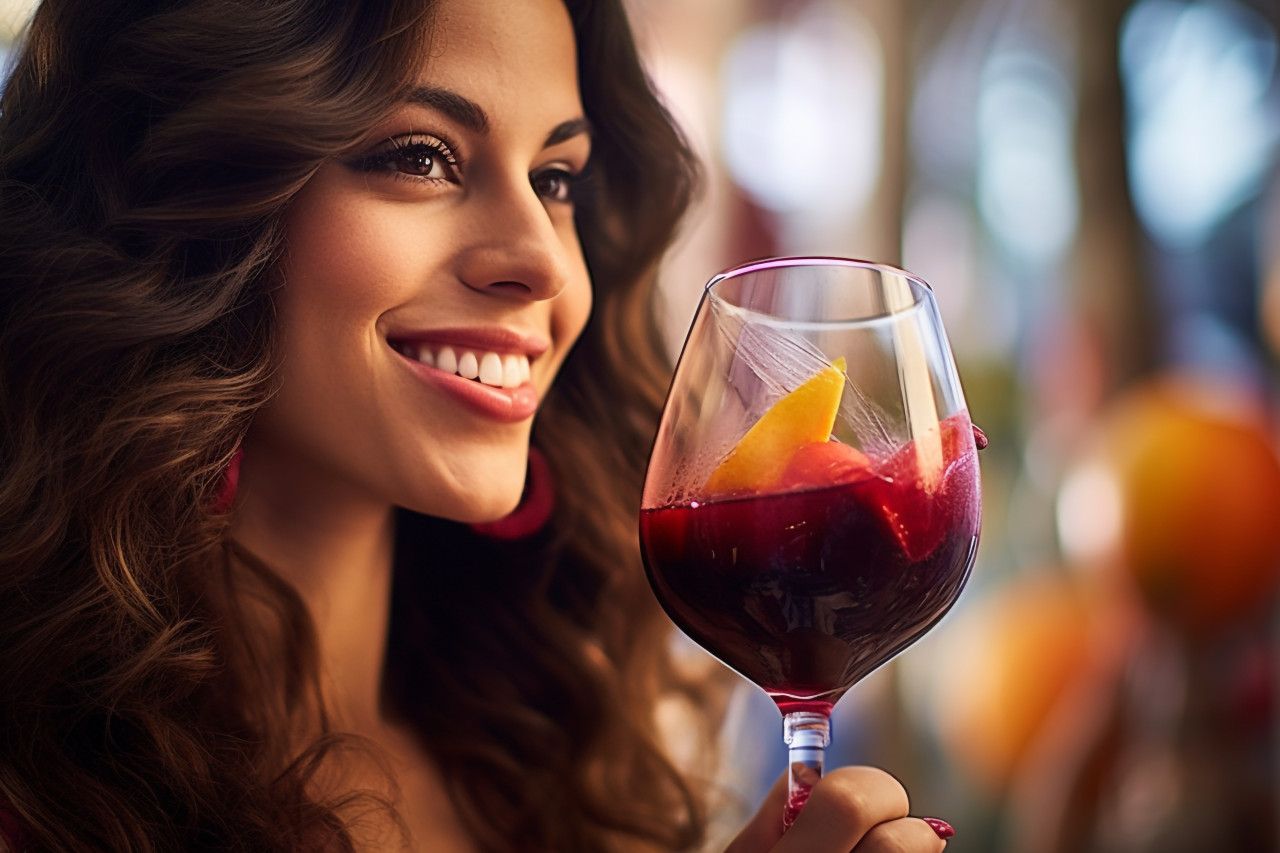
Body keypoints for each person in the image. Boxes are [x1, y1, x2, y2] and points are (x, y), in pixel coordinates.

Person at [0, 0, 954, 850]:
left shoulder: (573, 752)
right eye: (420, 156)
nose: (541, 259)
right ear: (188, 193)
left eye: (557, 178)